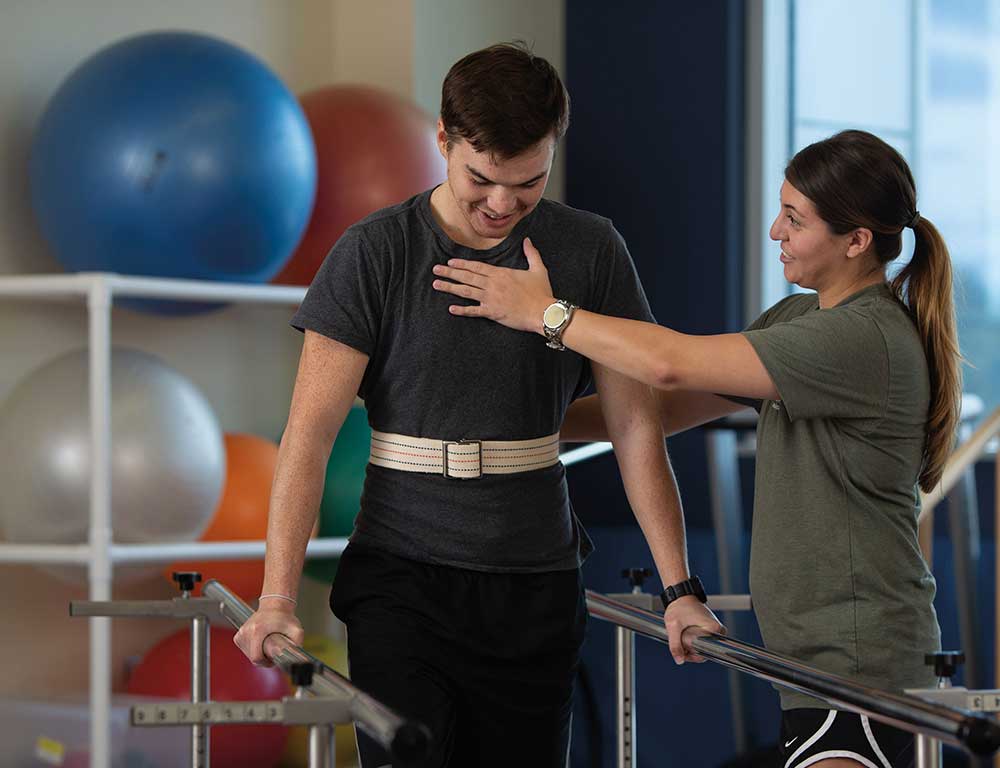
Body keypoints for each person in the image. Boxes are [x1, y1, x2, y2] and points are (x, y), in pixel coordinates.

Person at [234, 42, 721, 768]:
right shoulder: (376, 253)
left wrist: (680, 587)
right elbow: (307, 435)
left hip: (535, 581)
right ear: (443, 140)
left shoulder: (589, 250)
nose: (502, 205)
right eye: (482, 180)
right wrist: (276, 598)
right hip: (402, 577)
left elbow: (634, 426)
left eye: (528, 182)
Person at [430, 128, 961, 768]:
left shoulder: (863, 338)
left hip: (859, 666)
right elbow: (660, 409)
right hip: (816, 666)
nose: (775, 231)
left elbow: (669, 364)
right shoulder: (799, 321)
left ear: (856, 241)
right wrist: (510, 424)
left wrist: (548, 314)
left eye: (795, 219)